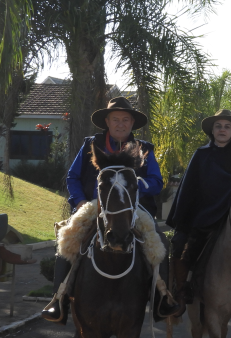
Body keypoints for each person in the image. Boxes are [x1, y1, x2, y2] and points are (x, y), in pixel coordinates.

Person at [42, 97, 164, 322]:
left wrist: (133, 185)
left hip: (132, 208)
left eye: (125, 119)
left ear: (132, 123)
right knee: (67, 239)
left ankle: (163, 299)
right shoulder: (91, 144)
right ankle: (58, 300)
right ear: (107, 122)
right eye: (115, 119)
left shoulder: (144, 149)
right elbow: (73, 177)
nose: (120, 124)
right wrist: (79, 201)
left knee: (159, 239)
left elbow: (156, 181)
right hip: (93, 205)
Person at [164, 109, 231, 317]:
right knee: (179, 243)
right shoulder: (201, 155)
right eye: (218, 126)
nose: (222, 130)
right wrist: (184, 218)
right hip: (202, 216)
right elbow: (188, 189)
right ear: (212, 131)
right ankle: (181, 292)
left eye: (227, 127)